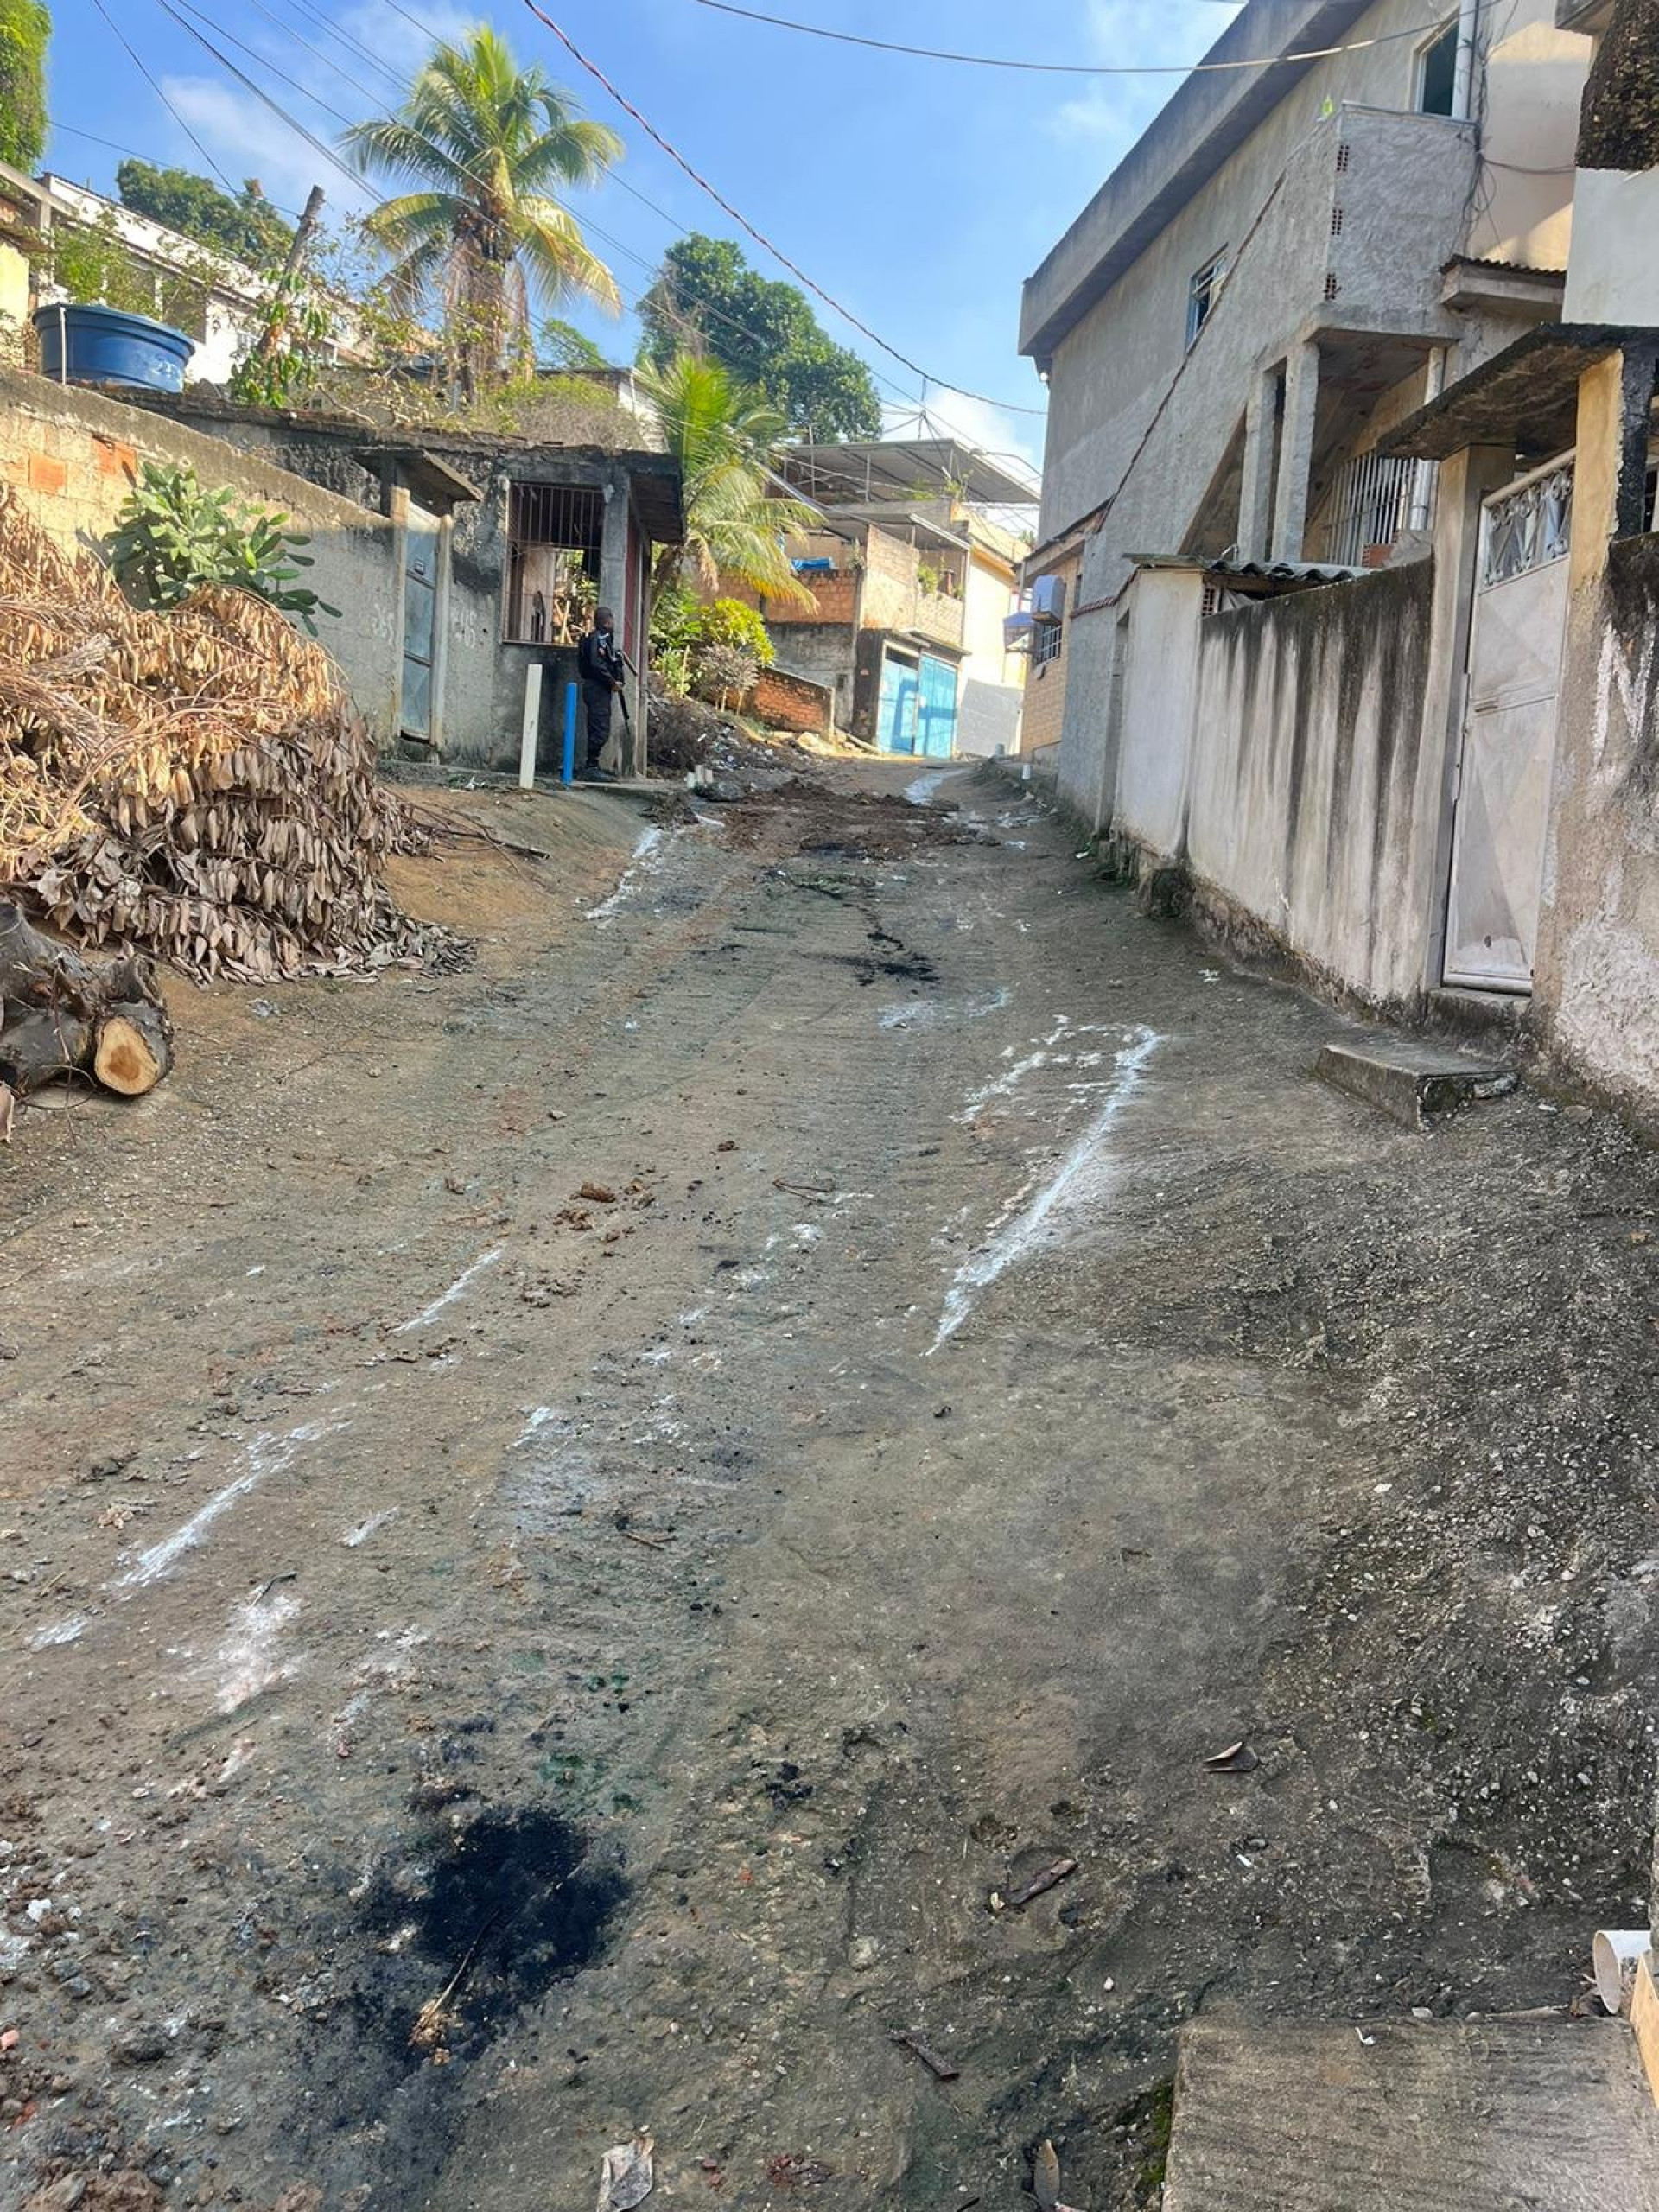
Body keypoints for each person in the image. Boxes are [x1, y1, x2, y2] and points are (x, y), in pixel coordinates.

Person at [575, 606, 626, 781]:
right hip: (597, 688)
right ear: (606, 621)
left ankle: (593, 765)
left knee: (600, 726)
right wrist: (611, 681)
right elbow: (597, 665)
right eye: (611, 620)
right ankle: (591, 766)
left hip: (599, 688)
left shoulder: (603, 639)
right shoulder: (598, 639)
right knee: (599, 727)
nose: (613, 623)